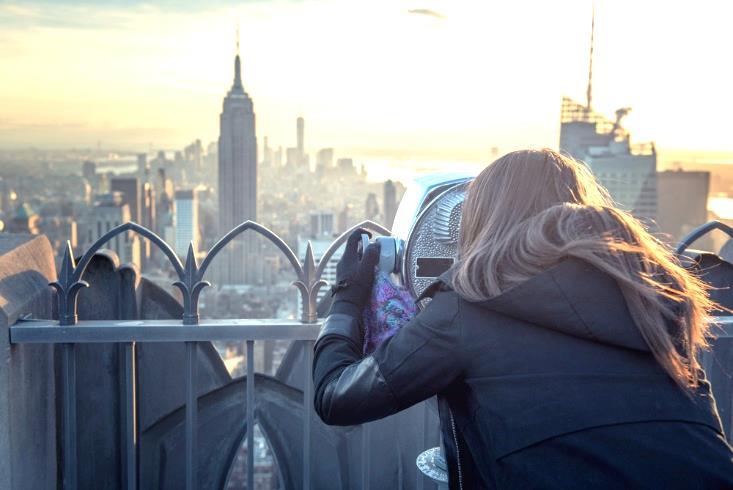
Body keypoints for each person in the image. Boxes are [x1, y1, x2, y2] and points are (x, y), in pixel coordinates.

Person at [312, 149, 733, 489]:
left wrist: (347, 298)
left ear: (483, 221)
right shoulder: (655, 300)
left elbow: (337, 398)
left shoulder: (468, 309)